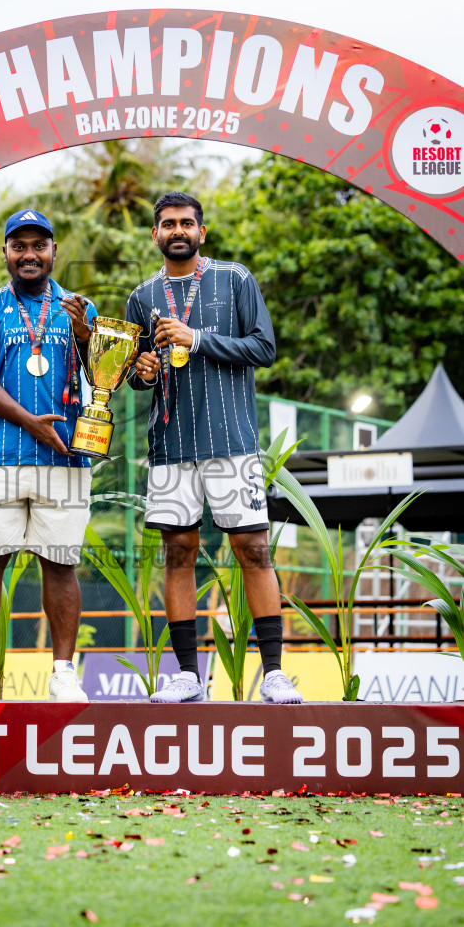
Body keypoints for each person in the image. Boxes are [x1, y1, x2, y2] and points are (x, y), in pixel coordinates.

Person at [126, 191, 302, 704]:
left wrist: (195, 338)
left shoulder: (235, 278)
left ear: (202, 232)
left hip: (232, 443)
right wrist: (143, 371)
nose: (176, 230)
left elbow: (264, 348)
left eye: (186, 223)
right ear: (155, 234)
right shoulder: (141, 297)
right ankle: (186, 675)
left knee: (253, 550)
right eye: (166, 224)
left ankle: (272, 673)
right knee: (178, 555)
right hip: (170, 445)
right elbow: (136, 373)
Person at [0, 208, 96, 703]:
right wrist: (28, 422)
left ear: (54, 252)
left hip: (66, 459)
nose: (29, 254)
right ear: (6, 252)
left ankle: (63, 673)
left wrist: (86, 337)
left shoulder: (80, 308)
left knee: (61, 564)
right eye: (19, 246)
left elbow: (105, 379)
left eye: (39, 245)